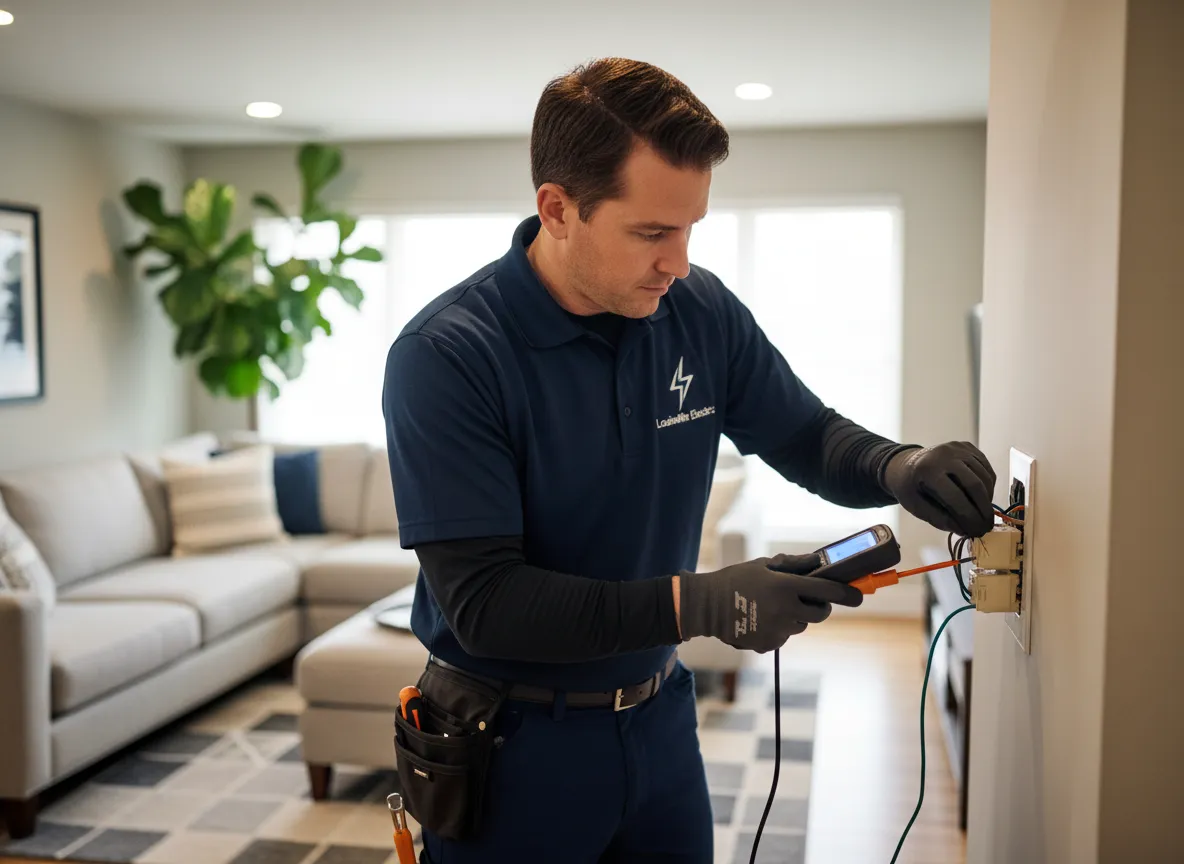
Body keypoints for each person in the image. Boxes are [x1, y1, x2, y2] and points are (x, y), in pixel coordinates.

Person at [382, 57, 996, 864]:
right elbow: (488, 605)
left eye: (690, 229)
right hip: (512, 744)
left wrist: (900, 467)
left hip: (659, 721)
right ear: (557, 209)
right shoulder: (447, 356)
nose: (677, 260)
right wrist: (699, 605)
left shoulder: (696, 309)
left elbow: (805, 433)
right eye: (651, 233)